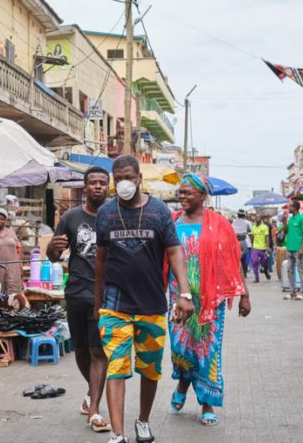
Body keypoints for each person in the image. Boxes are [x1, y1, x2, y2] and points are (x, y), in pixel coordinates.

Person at [94, 155, 194, 443]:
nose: (123, 183)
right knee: (117, 366)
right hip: (114, 306)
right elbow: (100, 260)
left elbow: (175, 252)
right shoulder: (106, 213)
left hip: (151, 305)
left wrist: (184, 293)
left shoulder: (159, 211)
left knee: (150, 369)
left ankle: (143, 420)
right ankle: (117, 434)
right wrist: (97, 303)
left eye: (128, 177)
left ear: (139, 178)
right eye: (118, 178)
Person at [168, 173, 250, 426]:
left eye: (188, 193)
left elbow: (232, 262)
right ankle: (183, 383)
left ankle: (207, 403)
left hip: (210, 300)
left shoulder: (219, 224)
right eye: (180, 192)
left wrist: (244, 295)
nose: (182, 196)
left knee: (208, 352)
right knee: (181, 349)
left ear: (203, 196)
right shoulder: (171, 222)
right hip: (178, 297)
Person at [47, 166, 111, 433]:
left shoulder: (115, 215)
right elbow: (53, 254)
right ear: (85, 187)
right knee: (82, 351)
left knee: (99, 352)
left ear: (109, 187)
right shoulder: (71, 217)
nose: (98, 186)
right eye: (93, 182)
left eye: (102, 183)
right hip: (76, 291)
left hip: (106, 295)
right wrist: (53, 247)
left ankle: (94, 409)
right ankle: (91, 391)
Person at [284, 201, 303, 300]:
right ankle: (292, 292)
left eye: (290, 206)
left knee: (300, 270)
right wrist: (284, 221)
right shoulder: (290, 219)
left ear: (295, 208)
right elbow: (285, 231)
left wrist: (302, 248)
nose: (288, 208)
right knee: (290, 270)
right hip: (289, 248)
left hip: (298, 249)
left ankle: (302, 293)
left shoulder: (302, 219)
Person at [232, 210, 252, 277]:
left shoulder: (234, 222)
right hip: (243, 241)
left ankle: (237, 273)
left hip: (235, 241)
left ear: (238, 215)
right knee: (244, 258)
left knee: (236, 257)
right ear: (244, 215)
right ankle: (244, 273)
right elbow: (250, 231)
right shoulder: (247, 222)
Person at [250, 216, 271, 283]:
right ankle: (256, 278)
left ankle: (265, 270)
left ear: (260, 219)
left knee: (264, 263)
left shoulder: (264, 227)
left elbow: (267, 238)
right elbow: (252, 237)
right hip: (255, 247)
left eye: (258, 218)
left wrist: (267, 247)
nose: (256, 219)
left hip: (263, 248)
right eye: (255, 218)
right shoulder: (253, 227)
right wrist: (251, 246)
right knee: (254, 262)